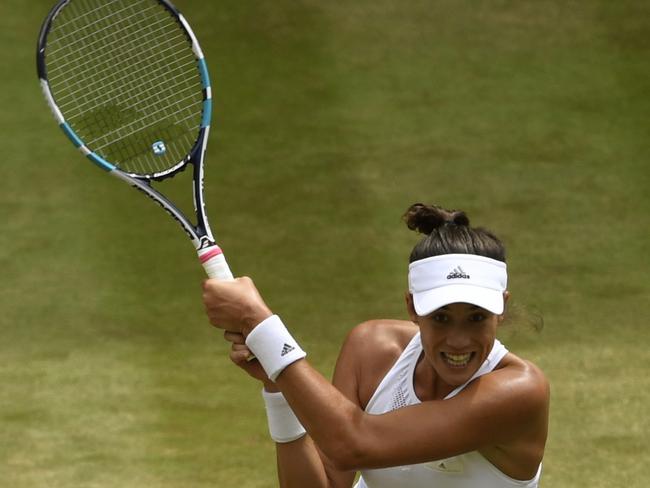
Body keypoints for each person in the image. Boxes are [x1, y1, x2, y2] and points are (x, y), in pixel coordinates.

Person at [202, 203, 550, 488]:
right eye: (441, 317)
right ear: (412, 307)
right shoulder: (372, 349)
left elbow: (352, 446)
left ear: (500, 309)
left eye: (476, 318)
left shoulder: (520, 392)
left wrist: (260, 323)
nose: (458, 340)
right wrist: (277, 388)